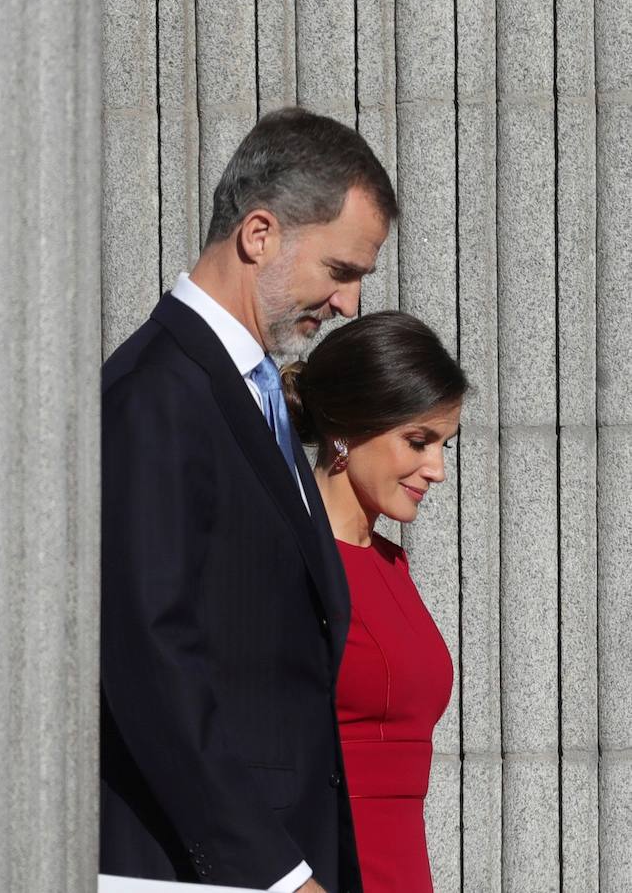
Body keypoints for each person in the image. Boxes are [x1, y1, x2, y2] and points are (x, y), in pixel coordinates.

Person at [100, 107, 396, 892]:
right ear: (259, 234)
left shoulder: (249, 391)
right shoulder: (156, 393)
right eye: (341, 271)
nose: (349, 306)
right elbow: (147, 656)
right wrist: (274, 872)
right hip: (197, 869)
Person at [282, 311, 468, 893]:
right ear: (346, 427)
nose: (436, 469)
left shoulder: (392, 563)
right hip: (316, 869)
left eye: (444, 445)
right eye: (418, 441)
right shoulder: (282, 557)